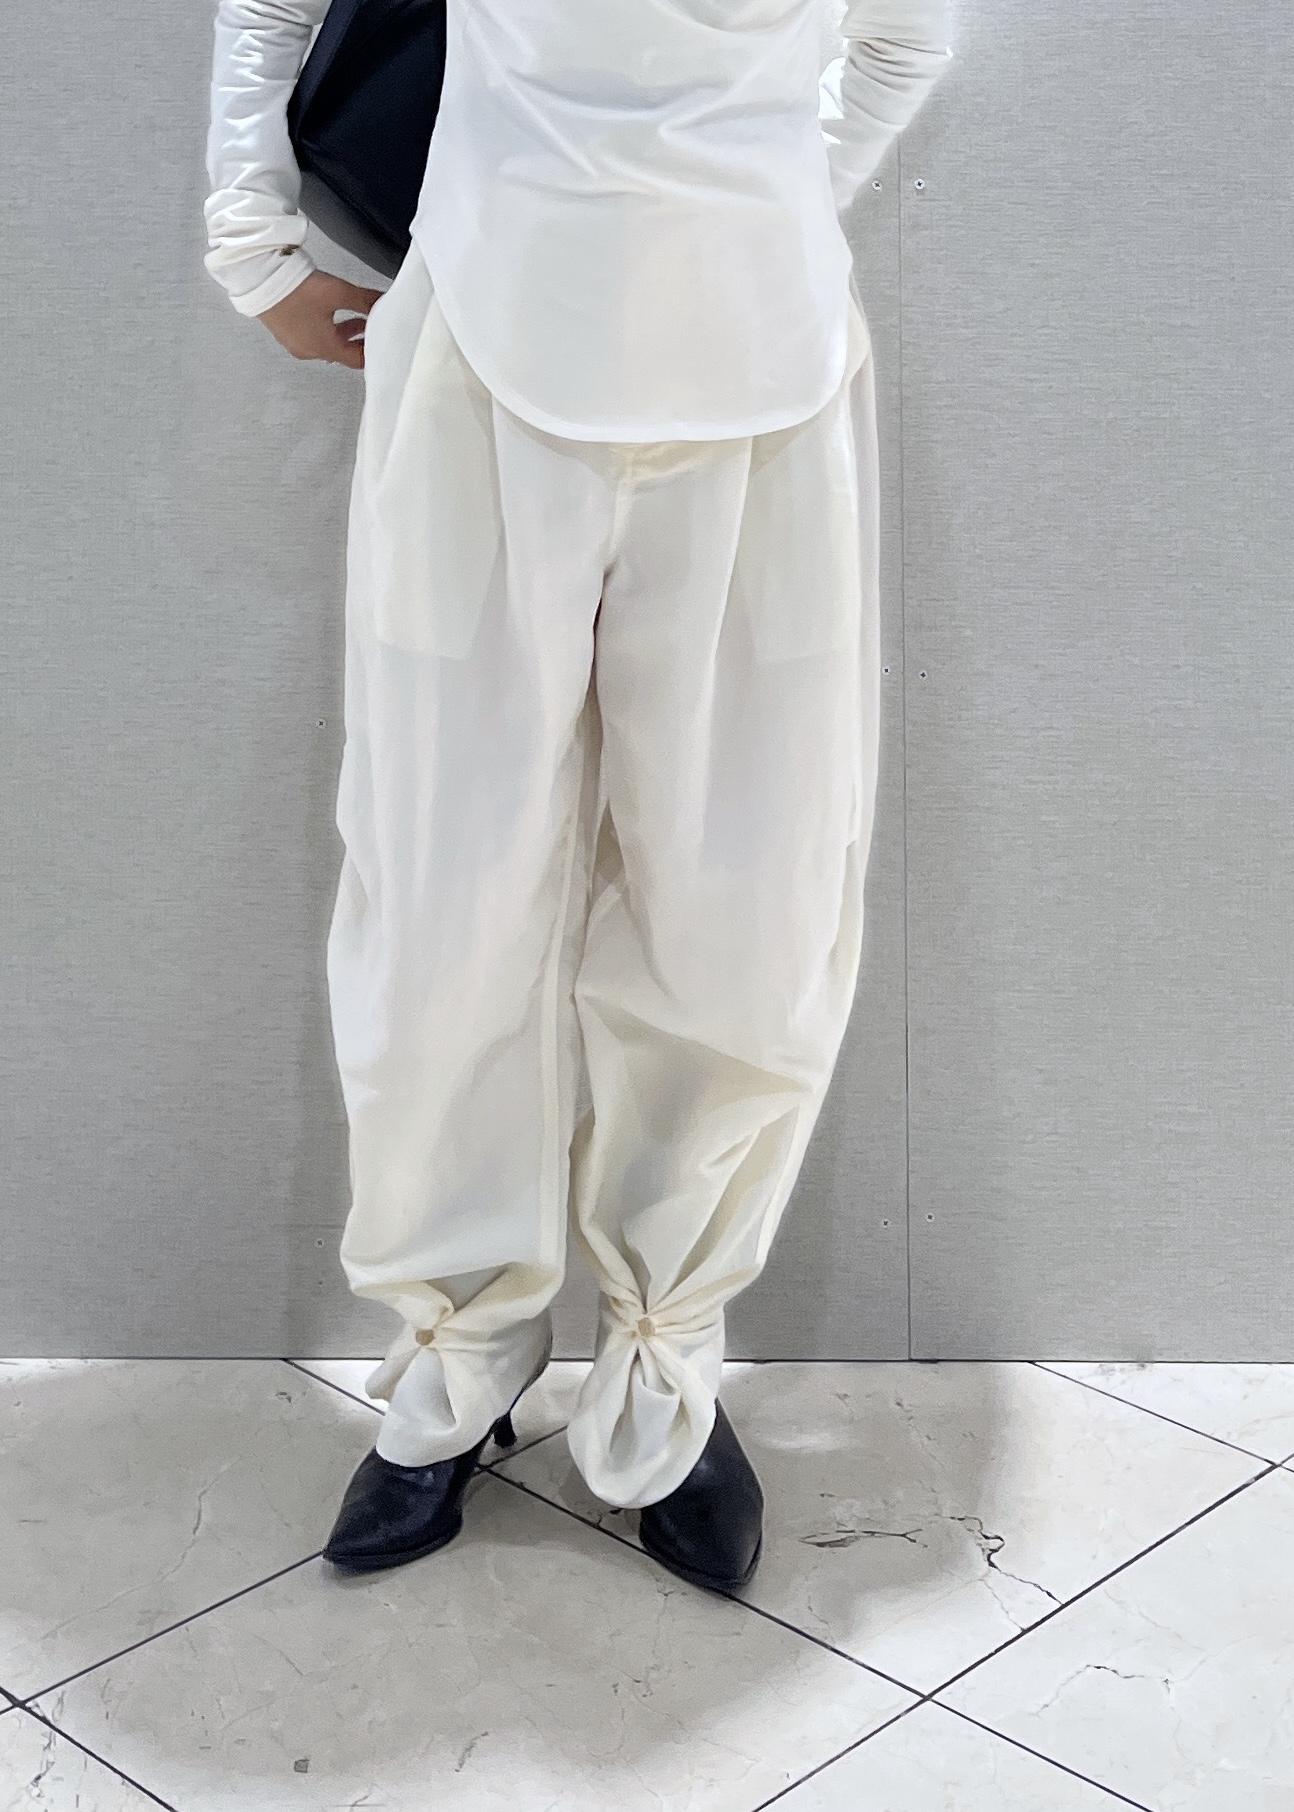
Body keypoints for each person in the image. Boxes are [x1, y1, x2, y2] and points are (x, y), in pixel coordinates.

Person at [203, 0, 952, 1592]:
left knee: (740, 906)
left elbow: (903, 41)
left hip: (763, 382)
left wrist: (748, 205)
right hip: (479, 353)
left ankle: (664, 1359)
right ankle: (455, 1354)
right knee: (441, 893)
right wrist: (249, 241)